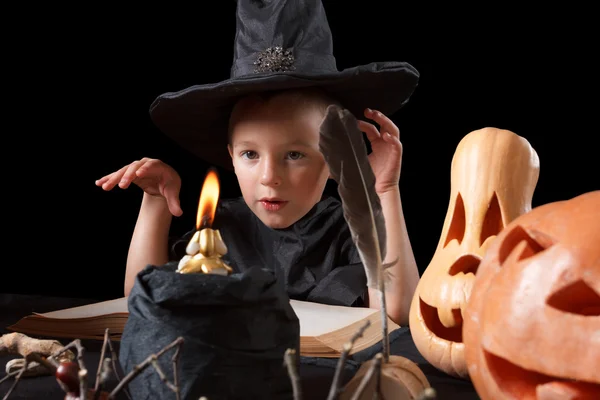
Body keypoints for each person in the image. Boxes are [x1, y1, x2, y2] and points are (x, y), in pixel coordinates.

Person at [95, 0, 420, 326]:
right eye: (250, 154)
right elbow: (141, 301)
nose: (269, 177)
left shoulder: (352, 230)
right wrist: (154, 202)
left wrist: (384, 190)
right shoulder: (219, 227)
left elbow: (399, 312)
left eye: (294, 155)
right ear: (231, 157)